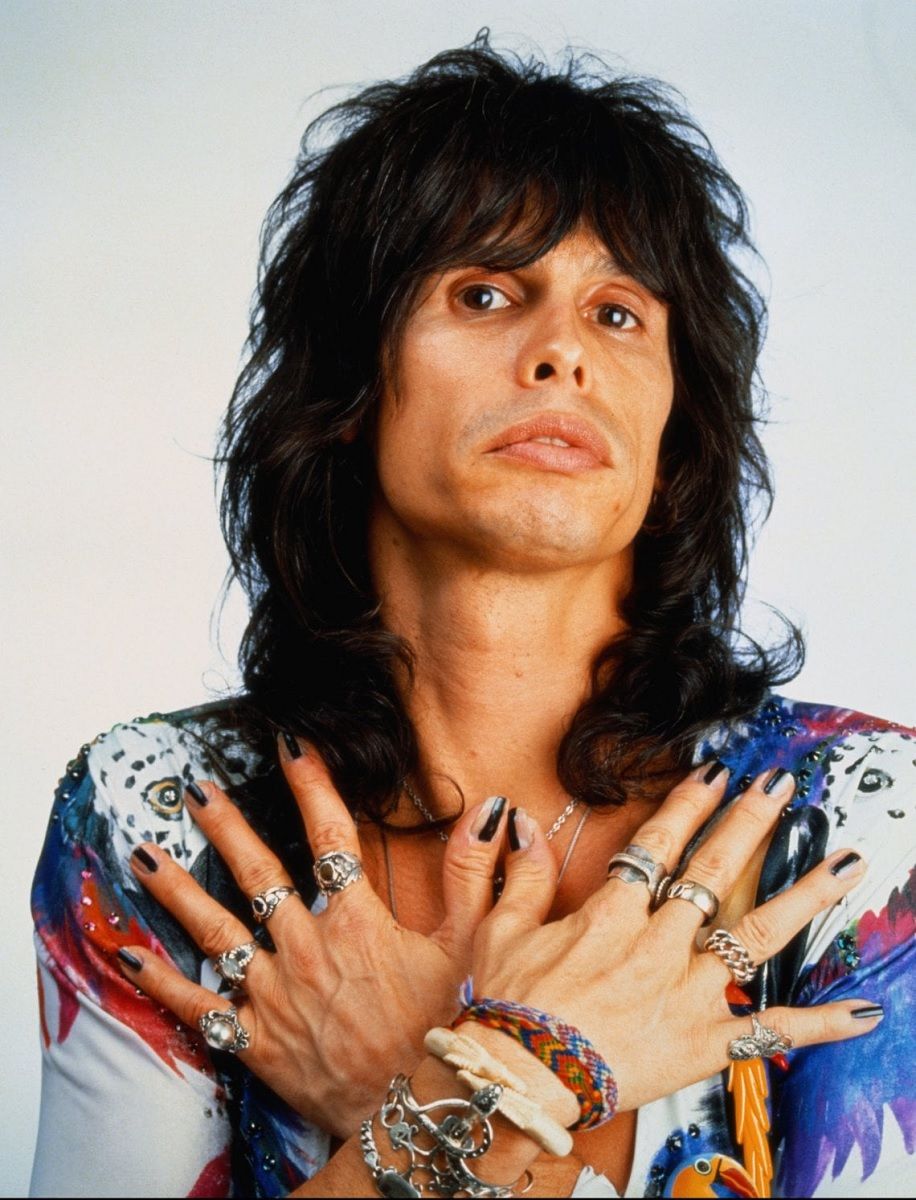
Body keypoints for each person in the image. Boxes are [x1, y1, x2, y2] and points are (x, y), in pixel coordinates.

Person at [30, 35, 914, 1199]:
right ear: (350, 383)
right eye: (484, 294)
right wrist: (512, 1085)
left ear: (672, 427)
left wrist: (431, 1087)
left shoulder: (859, 820)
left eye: (618, 314)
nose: (559, 354)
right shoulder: (164, 812)